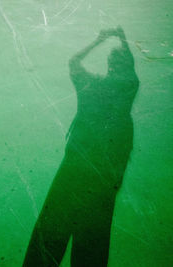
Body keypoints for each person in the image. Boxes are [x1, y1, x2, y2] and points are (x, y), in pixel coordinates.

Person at [23, 26, 139, 267]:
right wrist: (122, 38)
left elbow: (74, 61)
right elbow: (132, 72)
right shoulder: (125, 92)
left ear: (109, 65)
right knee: (92, 244)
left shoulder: (90, 88)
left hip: (73, 170)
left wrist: (99, 40)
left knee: (51, 232)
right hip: (103, 179)